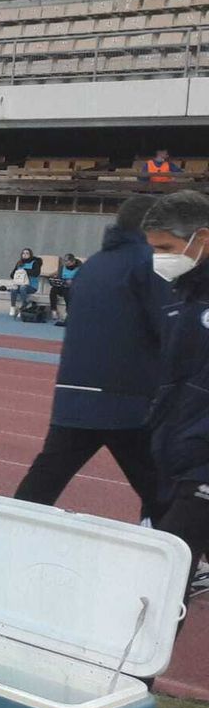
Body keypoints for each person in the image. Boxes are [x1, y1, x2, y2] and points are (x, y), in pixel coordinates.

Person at [13, 197, 172, 524]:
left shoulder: (94, 265)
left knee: (42, 483)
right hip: (128, 399)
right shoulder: (150, 264)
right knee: (163, 490)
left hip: (73, 395)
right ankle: (173, 548)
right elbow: (169, 328)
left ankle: (8, 536)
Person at [142, 190, 209, 600]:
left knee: (164, 584)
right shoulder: (182, 296)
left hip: (200, 463)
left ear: (202, 238)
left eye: (165, 248)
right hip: (177, 454)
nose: (158, 259)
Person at [47, 252, 81, 325]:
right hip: (63, 285)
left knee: (67, 292)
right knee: (53, 290)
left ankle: (68, 312)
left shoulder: (80, 268)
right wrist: (55, 279)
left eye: (66, 261)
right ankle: (54, 310)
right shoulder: (62, 267)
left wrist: (73, 281)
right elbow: (59, 277)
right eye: (64, 261)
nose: (65, 263)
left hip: (74, 288)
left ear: (73, 261)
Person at [8, 247, 42, 318]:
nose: (25, 255)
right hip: (19, 284)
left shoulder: (34, 263)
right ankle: (13, 306)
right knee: (14, 288)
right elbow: (12, 275)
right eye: (23, 253)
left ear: (30, 255)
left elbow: (36, 273)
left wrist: (25, 271)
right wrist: (18, 273)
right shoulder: (19, 263)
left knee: (23, 288)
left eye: (27, 253)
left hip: (31, 286)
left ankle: (24, 306)